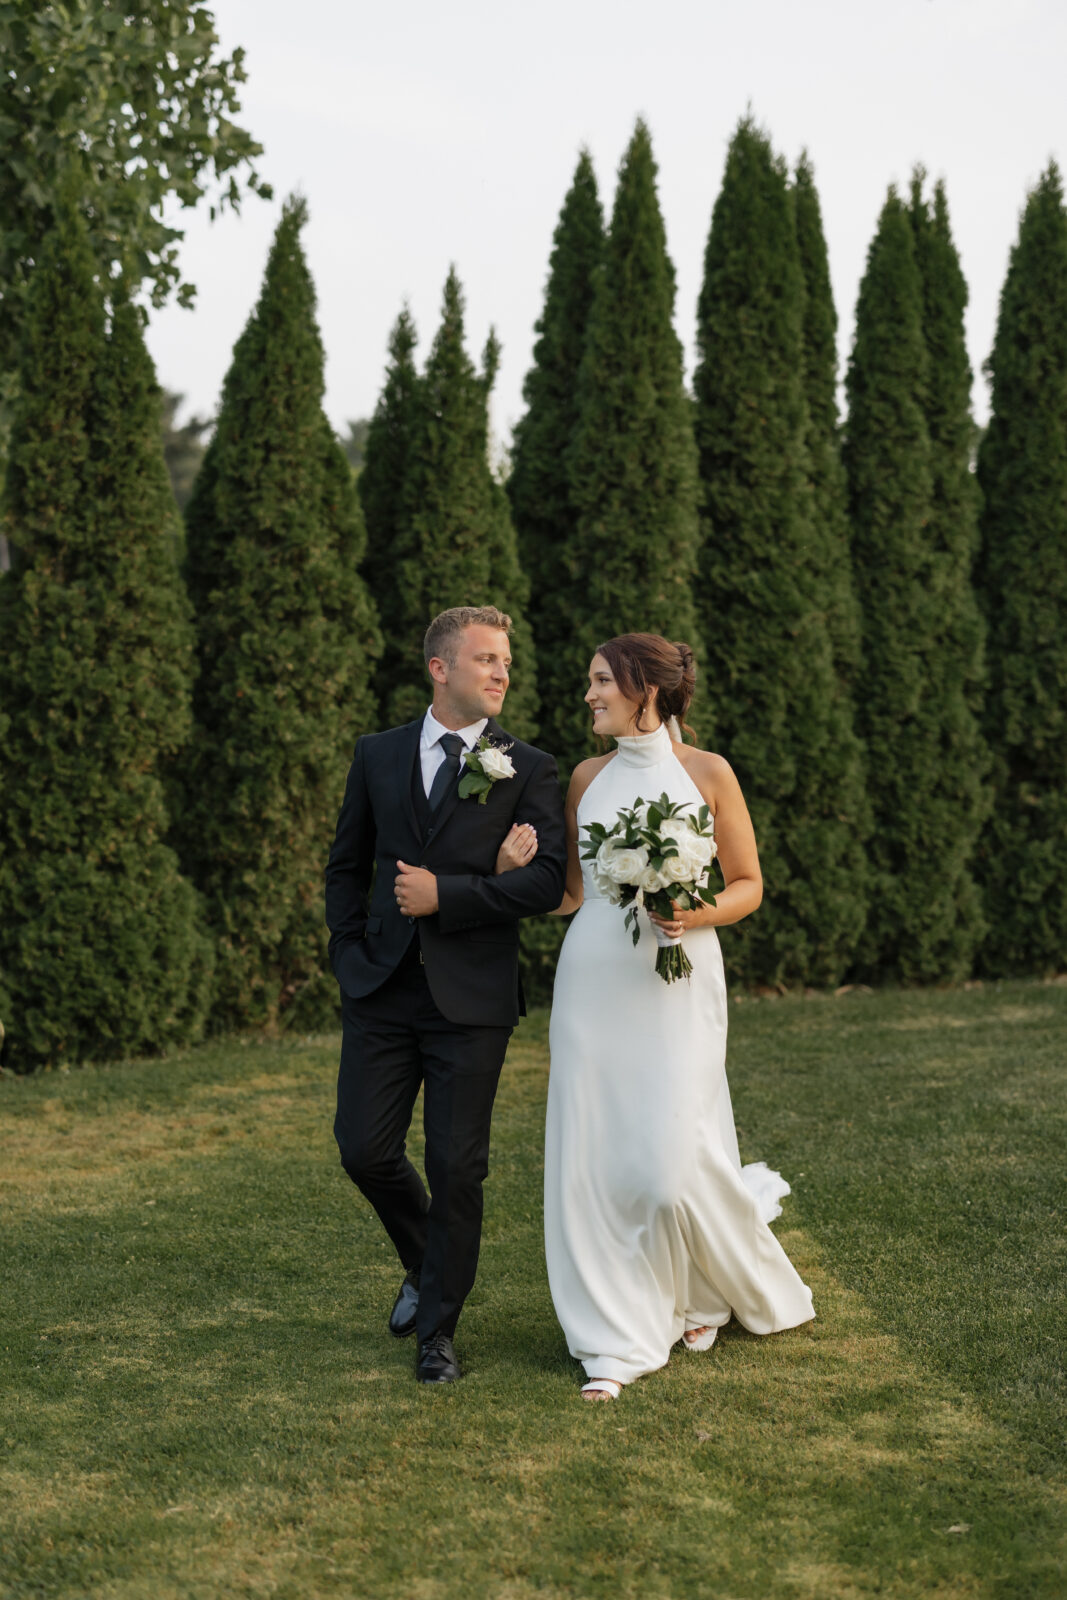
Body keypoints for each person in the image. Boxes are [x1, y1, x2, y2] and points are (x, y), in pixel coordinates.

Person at [537, 633, 815, 1400]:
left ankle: (705, 1291)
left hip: (678, 982)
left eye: (600, 682)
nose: (589, 695)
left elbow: (748, 883)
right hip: (592, 985)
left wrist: (695, 913)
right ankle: (613, 1338)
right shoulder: (586, 778)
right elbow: (569, 893)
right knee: (593, 1160)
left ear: (644, 688)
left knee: (667, 1164)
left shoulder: (707, 773)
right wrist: (506, 870)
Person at [325, 605, 567, 1384]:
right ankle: (426, 1261)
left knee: (457, 1166)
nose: (502, 673)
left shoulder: (526, 766)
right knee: (363, 1149)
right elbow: (345, 864)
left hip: (472, 998)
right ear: (439, 668)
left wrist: (453, 895)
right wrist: (346, 951)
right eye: (486, 659)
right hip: (381, 988)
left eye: (506, 661)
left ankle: (437, 1333)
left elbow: (547, 881)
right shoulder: (377, 754)